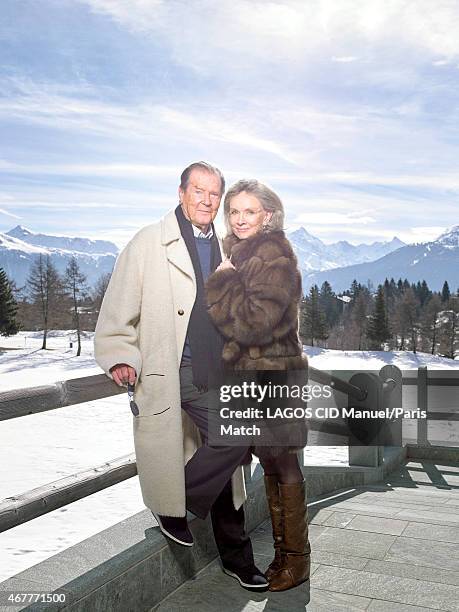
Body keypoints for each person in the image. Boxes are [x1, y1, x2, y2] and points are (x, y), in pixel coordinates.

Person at [94, 162, 268, 591]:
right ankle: (178, 503)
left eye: (214, 194)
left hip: (221, 370)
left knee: (229, 458)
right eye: (198, 191)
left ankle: (228, 551)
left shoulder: (230, 248)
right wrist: (120, 353)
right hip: (174, 370)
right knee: (231, 442)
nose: (207, 201)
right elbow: (117, 311)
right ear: (180, 192)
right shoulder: (148, 243)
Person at [205, 179, 311, 591]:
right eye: (234, 211)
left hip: (274, 375)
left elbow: (253, 323)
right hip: (250, 376)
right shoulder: (241, 252)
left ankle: (296, 560)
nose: (240, 218)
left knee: (282, 463)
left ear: (268, 215)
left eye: (250, 211)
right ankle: (285, 556)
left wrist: (222, 282)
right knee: (270, 462)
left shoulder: (272, 256)